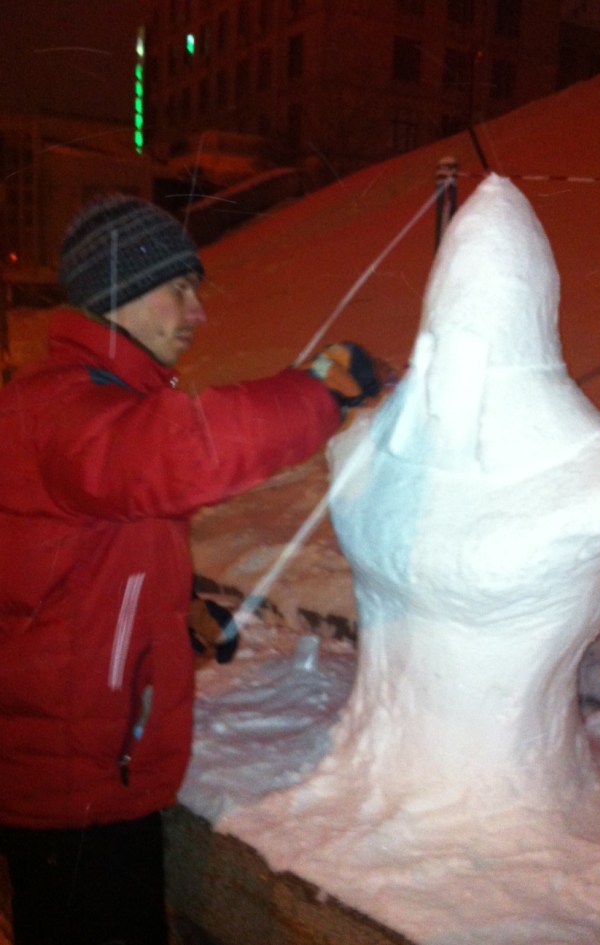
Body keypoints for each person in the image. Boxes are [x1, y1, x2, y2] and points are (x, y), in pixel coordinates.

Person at [0, 194, 381, 945]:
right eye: (178, 288)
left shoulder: (83, 400)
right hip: (76, 785)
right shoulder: (68, 408)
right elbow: (181, 453)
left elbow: (89, 561)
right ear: (119, 296)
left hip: (84, 768)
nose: (197, 311)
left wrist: (177, 623)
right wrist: (318, 394)